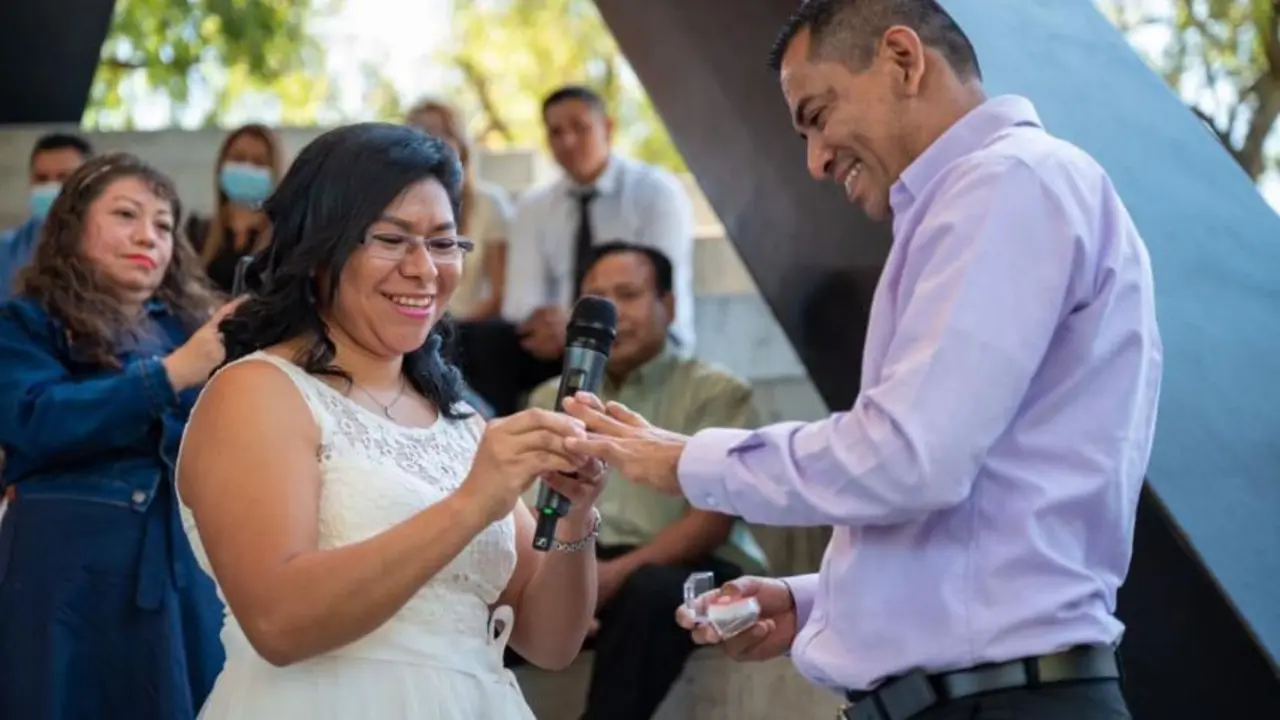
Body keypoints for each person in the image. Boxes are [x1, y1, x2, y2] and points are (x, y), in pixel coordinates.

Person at [560, 1, 1161, 719]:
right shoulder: (992, 193)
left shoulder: (1007, 182)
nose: (814, 161)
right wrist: (813, 601)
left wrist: (685, 462)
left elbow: (910, 458)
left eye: (816, 114)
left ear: (903, 60)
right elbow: (971, 522)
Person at [176, 122, 608, 719]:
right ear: (320, 247)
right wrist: (470, 504)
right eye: (392, 239)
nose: (425, 269)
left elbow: (551, 641)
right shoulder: (257, 393)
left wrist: (575, 514)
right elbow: (280, 622)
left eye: (442, 242)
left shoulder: (459, 420)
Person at [0, 153, 232, 719]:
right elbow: (35, 418)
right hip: (68, 574)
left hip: (185, 569)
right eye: (126, 214)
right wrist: (171, 374)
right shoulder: (24, 321)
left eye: (162, 225)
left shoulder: (196, 327)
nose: (147, 236)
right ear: (73, 225)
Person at [523, 242, 769, 719]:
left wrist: (612, 575)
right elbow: (531, 513)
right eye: (597, 297)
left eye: (628, 294)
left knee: (652, 593)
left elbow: (711, 520)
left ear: (669, 305)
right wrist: (562, 583)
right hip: (581, 557)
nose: (614, 311)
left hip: (685, 566)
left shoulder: (714, 391)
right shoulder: (550, 396)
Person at [457, 85, 696, 416]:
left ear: (608, 128)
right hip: (561, 343)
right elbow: (520, 303)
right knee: (480, 340)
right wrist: (562, 327)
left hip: (639, 333)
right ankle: (494, 441)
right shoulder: (533, 206)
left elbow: (651, 292)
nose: (567, 141)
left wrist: (573, 323)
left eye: (580, 128)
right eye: (556, 132)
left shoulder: (657, 192)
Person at [406, 98, 514, 321]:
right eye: (419, 133)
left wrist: (449, 331)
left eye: (440, 132)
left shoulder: (489, 202)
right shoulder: (396, 205)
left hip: (468, 331)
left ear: (461, 144)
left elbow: (499, 294)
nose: (430, 141)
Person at [186, 123, 283, 293]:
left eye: (259, 162)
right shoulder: (196, 232)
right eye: (238, 158)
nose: (247, 167)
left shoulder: (284, 240)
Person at [0, 132, 94, 298]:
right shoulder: (7, 250)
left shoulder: (113, 248)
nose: (51, 187)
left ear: (91, 182)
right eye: (42, 178)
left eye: (64, 177)